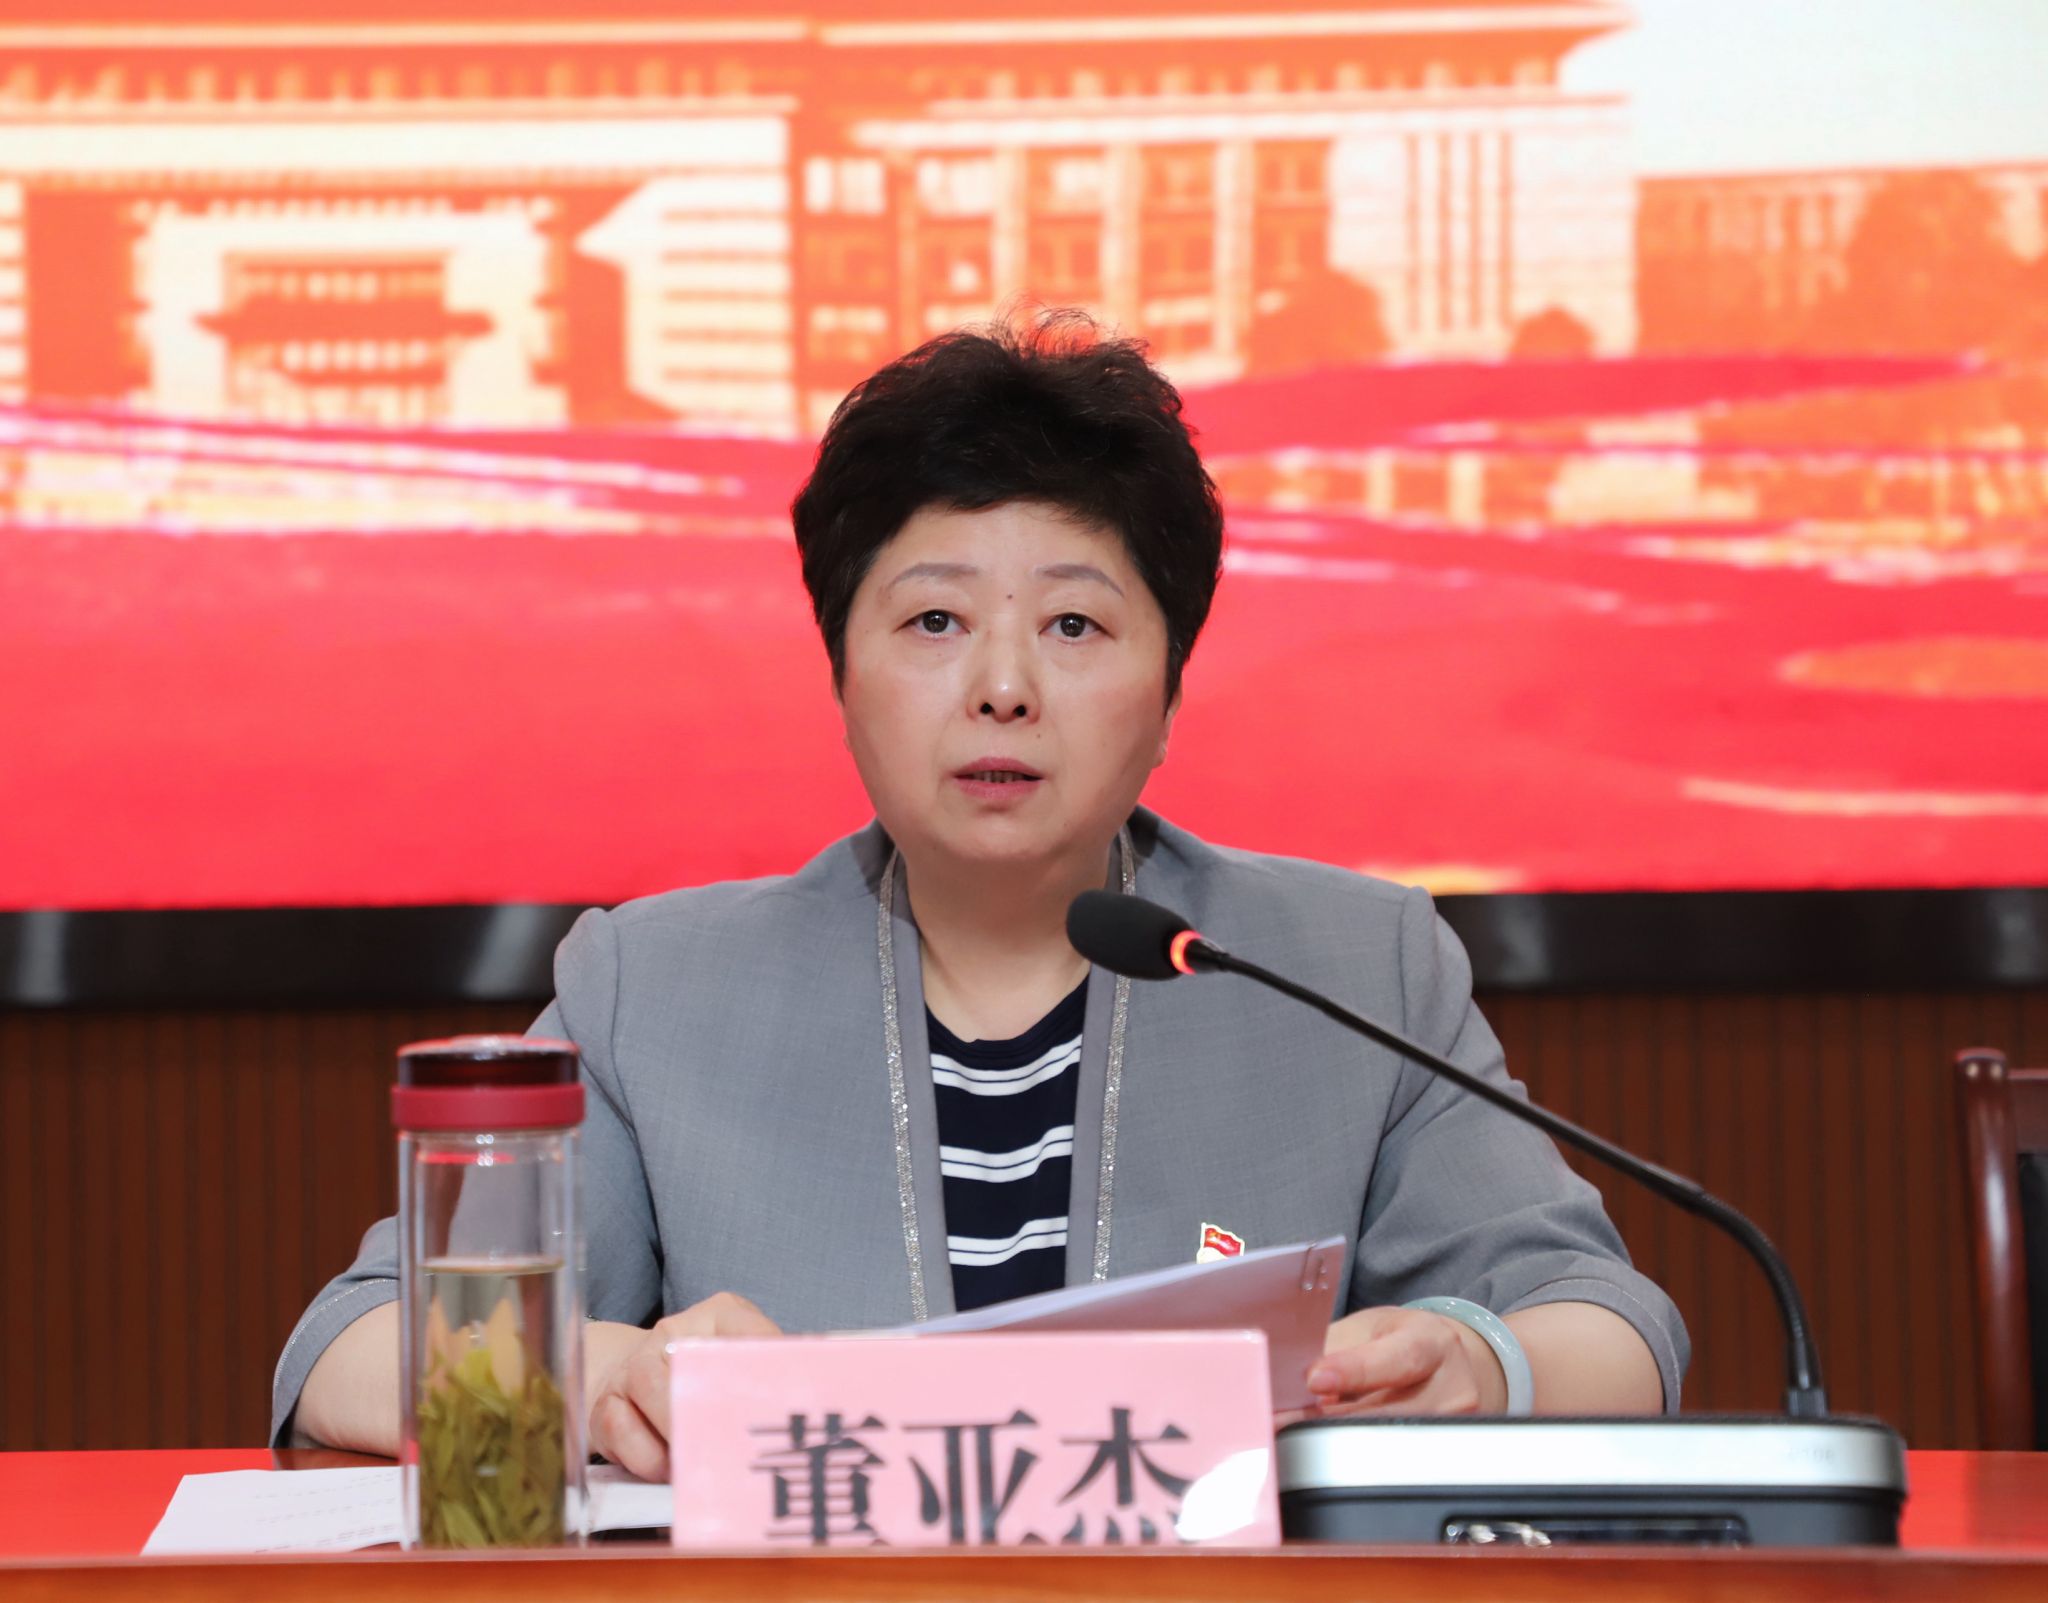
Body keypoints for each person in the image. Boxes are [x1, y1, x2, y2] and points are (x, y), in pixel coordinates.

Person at [276, 310, 1685, 1474]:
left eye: (1074, 623)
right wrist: (590, 1374)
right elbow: (345, 1350)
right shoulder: (655, 988)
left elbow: (1615, 1329)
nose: (1003, 686)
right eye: (935, 620)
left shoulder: (1353, 966)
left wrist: (1485, 1367)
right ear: (842, 675)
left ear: (1169, 693)